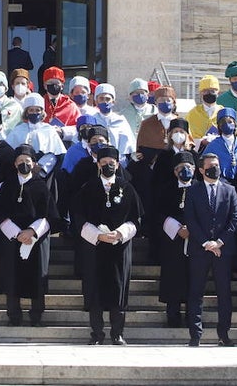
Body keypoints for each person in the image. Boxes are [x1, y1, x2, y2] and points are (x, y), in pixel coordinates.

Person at [77, 146, 142, 345]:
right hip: (95, 247)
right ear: (98, 165)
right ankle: (96, 333)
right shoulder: (87, 188)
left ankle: (117, 333)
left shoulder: (127, 187)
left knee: (118, 288)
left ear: (118, 164)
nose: (108, 166)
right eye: (104, 163)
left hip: (119, 248)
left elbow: (136, 218)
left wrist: (120, 233)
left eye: (111, 163)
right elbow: (79, 218)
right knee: (95, 289)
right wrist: (97, 235)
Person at [0, 144, 58, 327]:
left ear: (34, 163)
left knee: (36, 277)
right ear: (14, 164)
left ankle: (36, 315)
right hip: (12, 239)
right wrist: (16, 233)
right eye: (20, 161)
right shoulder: (7, 186)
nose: (24, 164)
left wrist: (32, 232)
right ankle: (14, 315)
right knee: (12, 275)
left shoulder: (42, 186)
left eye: (27, 161)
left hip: (35, 240)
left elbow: (50, 215)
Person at [185, 151, 237, 346]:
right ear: (201, 170)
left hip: (223, 250)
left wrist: (219, 242)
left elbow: (234, 219)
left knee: (224, 292)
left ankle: (224, 334)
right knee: (196, 292)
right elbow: (190, 220)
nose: (214, 168)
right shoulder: (192, 190)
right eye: (210, 166)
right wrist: (206, 243)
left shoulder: (229, 190)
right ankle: (195, 335)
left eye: (216, 164)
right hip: (200, 249)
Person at [158, 151, 196, 329]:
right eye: (181, 168)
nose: (185, 171)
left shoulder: (200, 189)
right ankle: (172, 317)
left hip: (195, 241)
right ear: (175, 172)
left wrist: (192, 229)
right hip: (172, 239)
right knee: (173, 278)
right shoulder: (165, 188)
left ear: (195, 169)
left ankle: (192, 316)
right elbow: (158, 212)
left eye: (188, 167)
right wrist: (177, 228)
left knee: (193, 278)